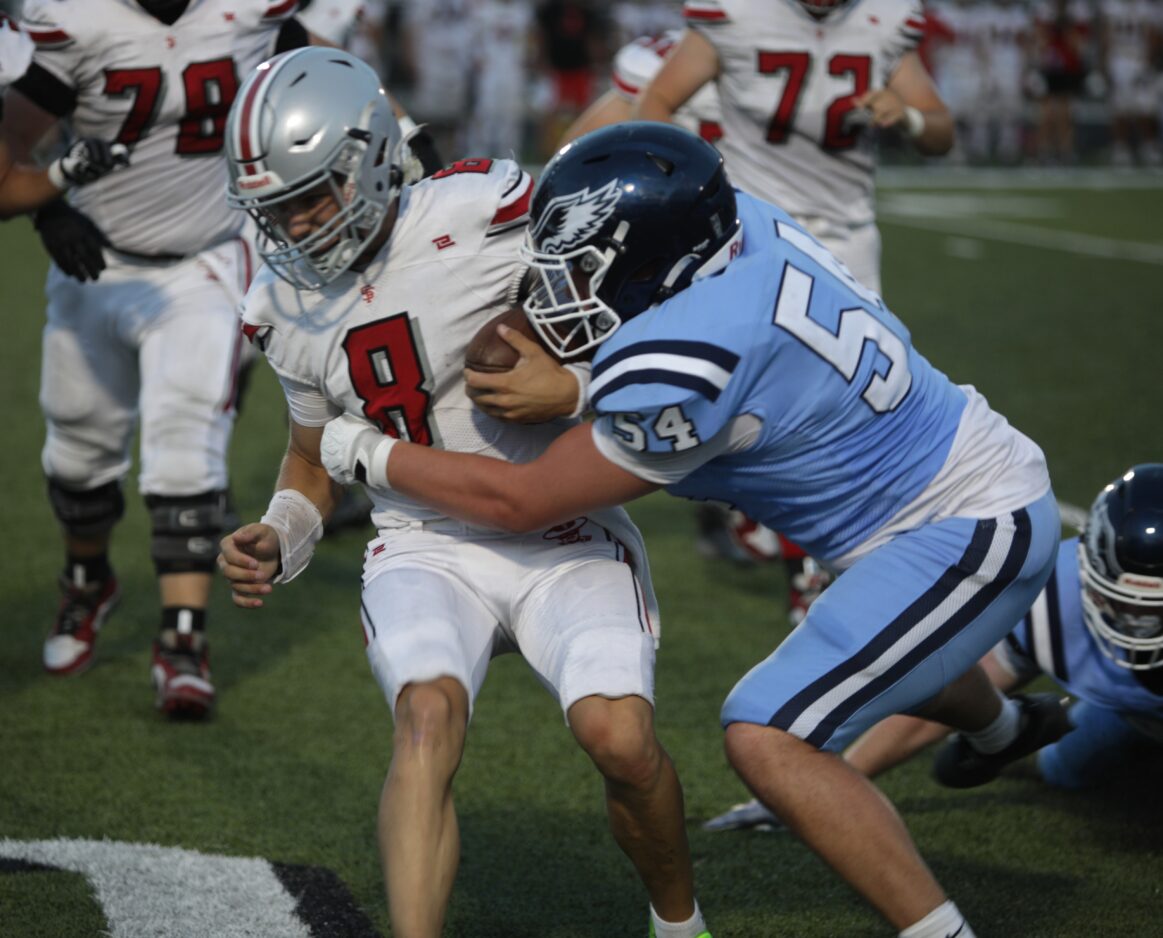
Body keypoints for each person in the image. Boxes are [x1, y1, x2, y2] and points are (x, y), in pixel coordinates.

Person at [308, 123, 1068, 938]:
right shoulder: (734, 222)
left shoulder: (678, 363)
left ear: (653, 264)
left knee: (766, 734)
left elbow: (522, 502)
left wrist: (365, 451)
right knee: (888, 641)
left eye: (580, 269)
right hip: (925, 494)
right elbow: (732, 362)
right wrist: (584, 388)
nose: (558, 287)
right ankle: (1001, 728)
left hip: (961, 525)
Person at [217, 49, 710, 938]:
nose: (295, 226)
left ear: (372, 158)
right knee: (425, 720)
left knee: (622, 742)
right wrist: (280, 532)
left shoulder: (486, 210)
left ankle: (680, 924)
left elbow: (637, 307)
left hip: (561, 524)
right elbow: (309, 459)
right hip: (425, 541)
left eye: (312, 196)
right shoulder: (279, 305)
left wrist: (576, 385)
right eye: (276, 208)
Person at [1, 0, 315, 717]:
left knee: (186, 449)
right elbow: (9, 141)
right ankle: (88, 583)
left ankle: (183, 639)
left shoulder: (250, 12)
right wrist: (49, 207)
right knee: (78, 450)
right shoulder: (79, 21)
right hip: (98, 261)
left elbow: (315, 77)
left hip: (207, 260)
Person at [834, 464, 1163, 791]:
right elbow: (952, 690)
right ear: (1090, 569)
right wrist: (845, 777)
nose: (1141, 619)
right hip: (1128, 711)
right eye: (1126, 602)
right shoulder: (1053, 599)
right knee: (1063, 767)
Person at [631, 0, 954, 296]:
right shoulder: (739, 11)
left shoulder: (886, 15)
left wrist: (910, 118)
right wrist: (690, 185)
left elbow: (942, 135)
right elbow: (655, 101)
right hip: (750, 225)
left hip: (845, 234)